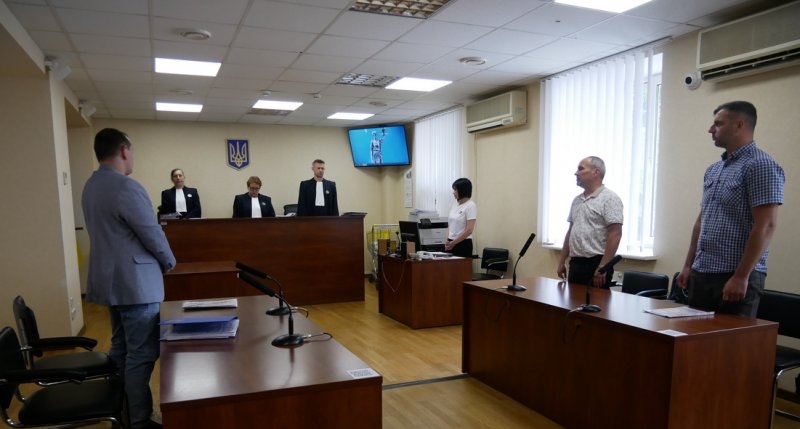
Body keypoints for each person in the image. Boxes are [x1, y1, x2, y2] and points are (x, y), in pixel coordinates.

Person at [81, 128, 175, 429]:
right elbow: (151, 232)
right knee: (142, 354)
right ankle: (139, 419)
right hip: (135, 284)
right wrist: (169, 261)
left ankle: (120, 411)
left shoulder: (91, 185)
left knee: (121, 348)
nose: (132, 157)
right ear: (124, 150)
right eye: (131, 151)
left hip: (111, 283)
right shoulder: (126, 187)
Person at [677, 101, 784, 317]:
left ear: (739, 125)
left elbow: (766, 226)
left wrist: (741, 276)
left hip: (734, 274)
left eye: (718, 124)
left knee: (730, 339)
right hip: (702, 271)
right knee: (693, 337)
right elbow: (701, 222)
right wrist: (688, 265)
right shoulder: (714, 170)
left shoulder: (760, 165)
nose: (711, 129)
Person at [557, 156, 623, 288]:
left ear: (596, 172)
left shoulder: (610, 198)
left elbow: (615, 234)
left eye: (580, 169)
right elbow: (570, 232)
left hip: (597, 263)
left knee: (595, 301)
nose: (576, 173)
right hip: (576, 263)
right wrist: (562, 261)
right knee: (572, 300)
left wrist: (603, 266)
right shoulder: (577, 200)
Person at [444, 178, 476, 258]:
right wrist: (446, 240)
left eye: (455, 190)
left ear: (462, 190)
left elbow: (469, 230)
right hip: (450, 242)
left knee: (461, 266)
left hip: (463, 243)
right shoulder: (455, 204)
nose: (453, 192)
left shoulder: (470, 206)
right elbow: (450, 225)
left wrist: (454, 242)